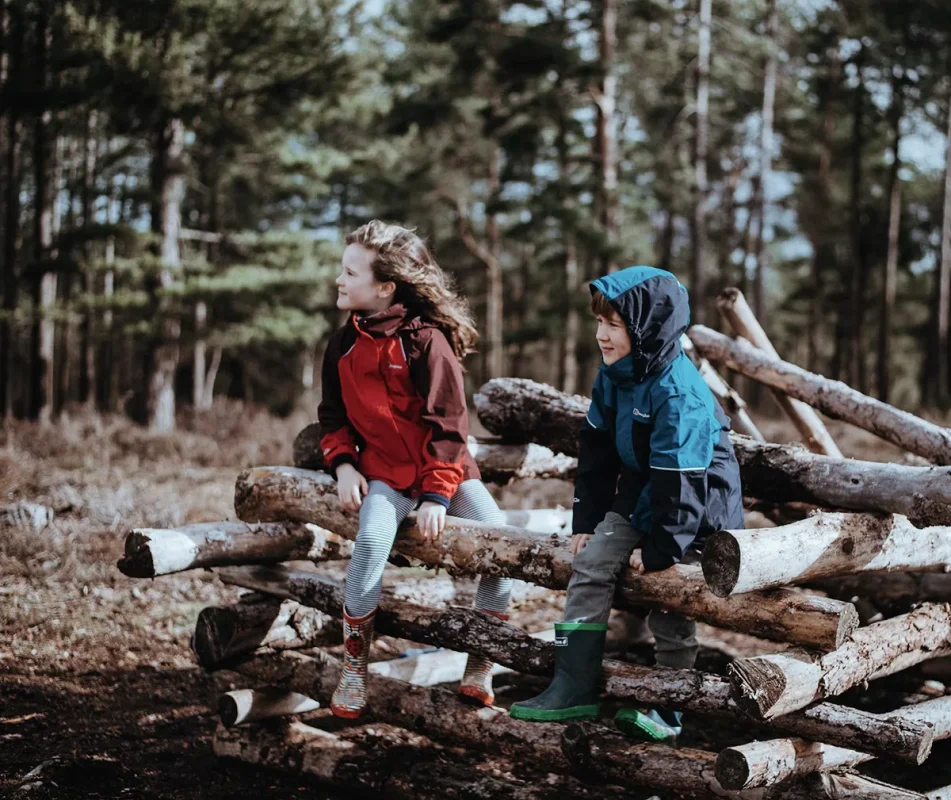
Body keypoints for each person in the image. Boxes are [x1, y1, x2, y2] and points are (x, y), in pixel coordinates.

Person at [509, 265, 744, 742]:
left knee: (671, 599)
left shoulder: (678, 392)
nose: (601, 335)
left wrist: (661, 549)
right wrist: (588, 520)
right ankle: (572, 686)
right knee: (590, 562)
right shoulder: (615, 375)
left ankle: (670, 710)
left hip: (699, 512)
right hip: (643, 494)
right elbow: (595, 447)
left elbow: (681, 485)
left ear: (646, 328)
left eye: (613, 325)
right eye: (598, 323)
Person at [319, 220, 513, 719]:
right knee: (369, 543)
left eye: (349, 272)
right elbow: (333, 417)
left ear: (385, 287)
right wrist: (342, 465)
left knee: (501, 539)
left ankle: (481, 664)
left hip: (449, 473)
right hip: (384, 475)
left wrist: (436, 496)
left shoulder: (428, 342)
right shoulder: (341, 347)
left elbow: (448, 427)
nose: (338, 280)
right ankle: (354, 669)